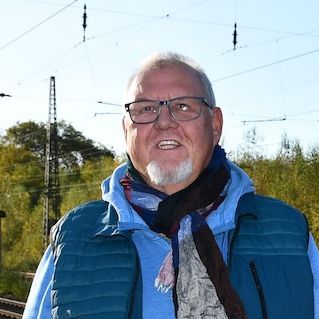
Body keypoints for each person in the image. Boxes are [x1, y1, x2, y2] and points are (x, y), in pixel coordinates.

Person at [23, 52, 319, 319]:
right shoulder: (74, 239)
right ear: (126, 129)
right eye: (145, 109)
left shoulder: (289, 235)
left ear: (215, 125)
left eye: (183, 106)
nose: (164, 122)